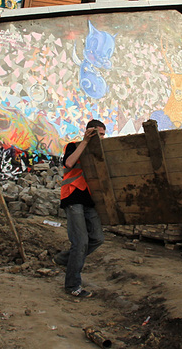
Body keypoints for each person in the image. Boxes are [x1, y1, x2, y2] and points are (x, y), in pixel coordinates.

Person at [54, 119, 106, 297]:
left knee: (97, 238)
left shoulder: (101, 152)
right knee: (81, 242)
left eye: (103, 136)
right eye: (97, 135)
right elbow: (69, 163)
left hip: (89, 201)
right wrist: (85, 142)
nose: (101, 139)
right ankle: (72, 285)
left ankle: (64, 259)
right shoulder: (74, 146)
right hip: (73, 196)